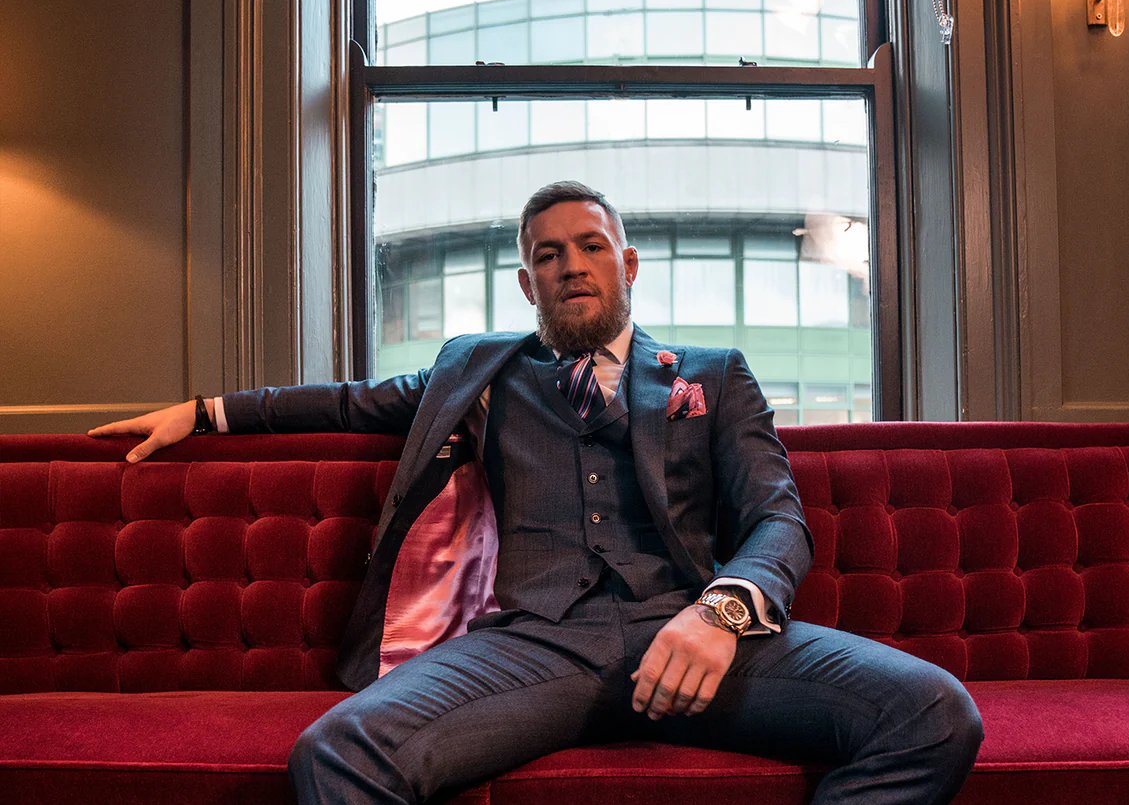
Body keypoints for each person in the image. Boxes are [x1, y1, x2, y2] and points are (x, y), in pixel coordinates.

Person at [90, 181, 982, 804]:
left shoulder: (712, 373)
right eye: (548, 255)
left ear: (628, 263)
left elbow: (777, 518)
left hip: (692, 630)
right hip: (533, 645)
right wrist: (204, 413)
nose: (571, 264)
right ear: (527, 282)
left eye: (591, 246)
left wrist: (723, 612)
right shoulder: (479, 372)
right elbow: (347, 401)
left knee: (934, 714)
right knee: (337, 752)